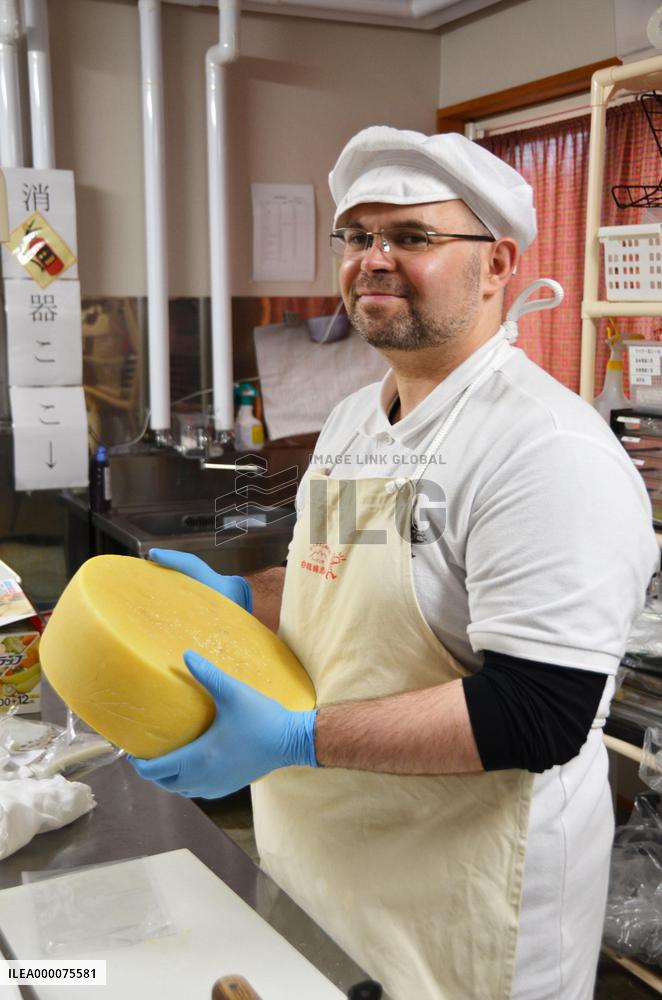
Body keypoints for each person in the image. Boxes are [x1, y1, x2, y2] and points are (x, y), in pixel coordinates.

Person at [131, 127, 660, 1000]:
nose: (373, 259)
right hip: (328, 868)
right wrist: (242, 598)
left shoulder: (545, 450)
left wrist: (297, 737)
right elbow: (338, 581)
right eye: (357, 236)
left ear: (498, 265)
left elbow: (540, 712)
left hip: (465, 903)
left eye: (411, 237)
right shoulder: (355, 424)